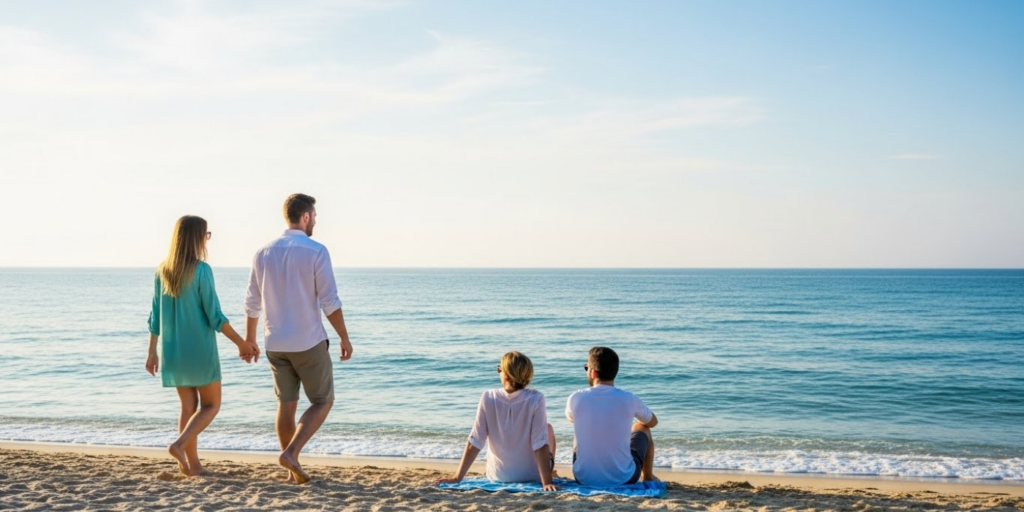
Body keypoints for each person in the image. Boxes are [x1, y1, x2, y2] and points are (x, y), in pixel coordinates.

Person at [244, 193, 353, 484]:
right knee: (323, 400)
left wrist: (249, 339)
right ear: (305, 217)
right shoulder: (316, 251)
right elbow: (330, 301)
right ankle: (291, 453)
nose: (315, 220)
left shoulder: (262, 252)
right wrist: (343, 336)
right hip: (308, 341)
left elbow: (252, 301)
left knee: (286, 404)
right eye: (314, 216)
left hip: (275, 342)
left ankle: (292, 469)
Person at [146, 215, 260, 477]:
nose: (207, 240)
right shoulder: (201, 270)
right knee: (211, 405)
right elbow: (215, 316)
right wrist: (242, 343)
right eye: (206, 235)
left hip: (173, 351)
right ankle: (179, 445)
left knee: (188, 407)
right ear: (197, 238)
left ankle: (192, 465)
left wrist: (152, 352)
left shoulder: (162, 270)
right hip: (199, 351)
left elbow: (155, 317)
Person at [435, 351, 558, 491]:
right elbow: (540, 443)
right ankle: (549, 473)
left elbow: (475, 441)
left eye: (499, 368)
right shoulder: (536, 398)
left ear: (505, 373)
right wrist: (546, 483)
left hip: (498, 476)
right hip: (531, 475)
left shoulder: (488, 397)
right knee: (547, 429)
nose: (499, 370)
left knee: (545, 429)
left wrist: (457, 478)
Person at [565, 346, 658, 486]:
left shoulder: (576, 397)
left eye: (586, 368)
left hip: (583, 478)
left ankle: (589, 468)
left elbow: (571, 419)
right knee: (642, 427)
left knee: (580, 428)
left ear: (593, 373)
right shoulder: (629, 398)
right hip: (624, 478)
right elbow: (652, 422)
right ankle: (648, 477)